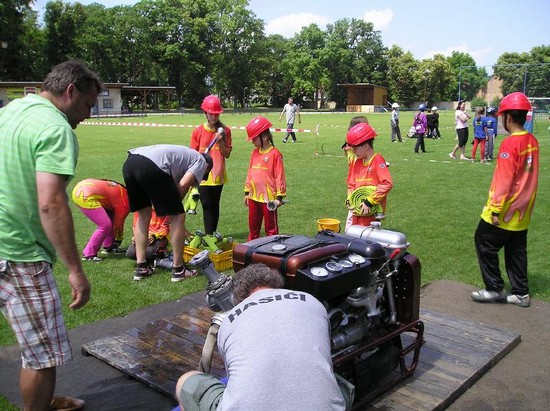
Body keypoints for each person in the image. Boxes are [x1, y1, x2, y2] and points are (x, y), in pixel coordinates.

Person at [0, 60, 100, 411]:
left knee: (34, 346)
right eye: (88, 105)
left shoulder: (15, 109)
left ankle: (43, 399)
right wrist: (75, 270)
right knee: (41, 354)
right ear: (70, 91)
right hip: (19, 254)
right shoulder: (57, 129)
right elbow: (52, 204)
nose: (88, 115)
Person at [175, 263, 355, 410]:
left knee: (186, 381)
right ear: (277, 285)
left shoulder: (229, 320)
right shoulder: (312, 301)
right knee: (337, 381)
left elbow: (237, 377)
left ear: (239, 297)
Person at [471, 92, 539, 308]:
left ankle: (494, 288)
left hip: (506, 208)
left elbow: (504, 180)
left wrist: (496, 209)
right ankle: (521, 293)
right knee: (516, 248)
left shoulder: (510, 144)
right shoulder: (532, 140)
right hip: (524, 209)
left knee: (483, 240)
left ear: (507, 117)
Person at [122, 144, 213, 282]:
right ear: (207, 167)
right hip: (151, 165)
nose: (201, 178)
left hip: (130, 163)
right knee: (178, 216)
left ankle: (142, 268)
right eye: (204, 175)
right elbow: (183, 185)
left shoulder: (184, 157)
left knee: (143, 215)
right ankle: (178, 269)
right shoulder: (200, 161)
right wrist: (173, 211)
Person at [190, 95, 233, 234]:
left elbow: (227, 154)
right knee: (207, 205)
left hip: (218, 174)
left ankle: (212, 234)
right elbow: (192, 154)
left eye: (216, 114)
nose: (214, 117)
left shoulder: (225, 131)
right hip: (202, 175)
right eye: (211, 114)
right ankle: (209, 234)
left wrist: (220, 141)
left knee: (215, 205)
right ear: (205, 113)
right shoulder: (198, 131)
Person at [244, 116, 287, 240]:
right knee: (253, 229)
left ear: (265, 136)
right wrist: (247, 192)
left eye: (254, 138)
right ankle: (251, 253)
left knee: (271, 230)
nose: (252, 142)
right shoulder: (254, 153)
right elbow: (250, 173)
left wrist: (279, 197)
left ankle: (272, 254)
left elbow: (280, 176)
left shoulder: (275, 155)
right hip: (253, 197)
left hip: (269, 200)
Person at [345, 122, 393, 227]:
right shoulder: (356, 162)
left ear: (366, 146)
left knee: (368, 241)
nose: (353, 150)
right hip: (356, 213)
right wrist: (350, 199)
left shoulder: (377, 160)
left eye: (355, 148)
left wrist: (369, 201)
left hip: (371, 214)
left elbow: (387, 183)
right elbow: (351, 184)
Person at [71, 178, 130, 262]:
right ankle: (88, 254)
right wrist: (119, 239)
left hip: (84, 187)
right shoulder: (125, 203)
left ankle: (108, 246)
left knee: (111, 217)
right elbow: (118, 224)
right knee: (105, 225)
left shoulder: (123, 191)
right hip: (85, 194)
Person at [342, 116, 369, 230]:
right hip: (357, 181)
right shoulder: (352, 149)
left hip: (356, 180)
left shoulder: (349, 147)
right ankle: (350, 235)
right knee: (353, 211)